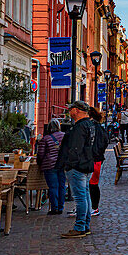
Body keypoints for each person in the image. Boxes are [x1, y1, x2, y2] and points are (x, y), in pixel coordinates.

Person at [56, 100, 96, 238]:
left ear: (77, 110)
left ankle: (80, 227)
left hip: (78, 166)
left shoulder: (79, 127)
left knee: (80, 198)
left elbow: (76, 148)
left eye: (71, 108)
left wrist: (70, 164)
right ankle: (85, 225)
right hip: (87, 164)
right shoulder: (90, 125)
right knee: (85, 196)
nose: (69, 111)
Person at [36, 121, 65, 214]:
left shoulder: (46, 139)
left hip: (49, 165)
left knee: (53, 187)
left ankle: (54, 208)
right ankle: (61, 207)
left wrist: (39, 163)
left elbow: (40, 154)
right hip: (62, 164)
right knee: (61, 186)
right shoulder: (64, 136)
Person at [87, 108, 109, 216]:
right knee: (90, 184)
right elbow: (106, 141)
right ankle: (88, 207)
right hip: (96, 158)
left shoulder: (93, 127)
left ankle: (94, 207)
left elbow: (104, 142)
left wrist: (95, 152)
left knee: (92, 184)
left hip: (94, 159)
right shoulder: (99, 127)